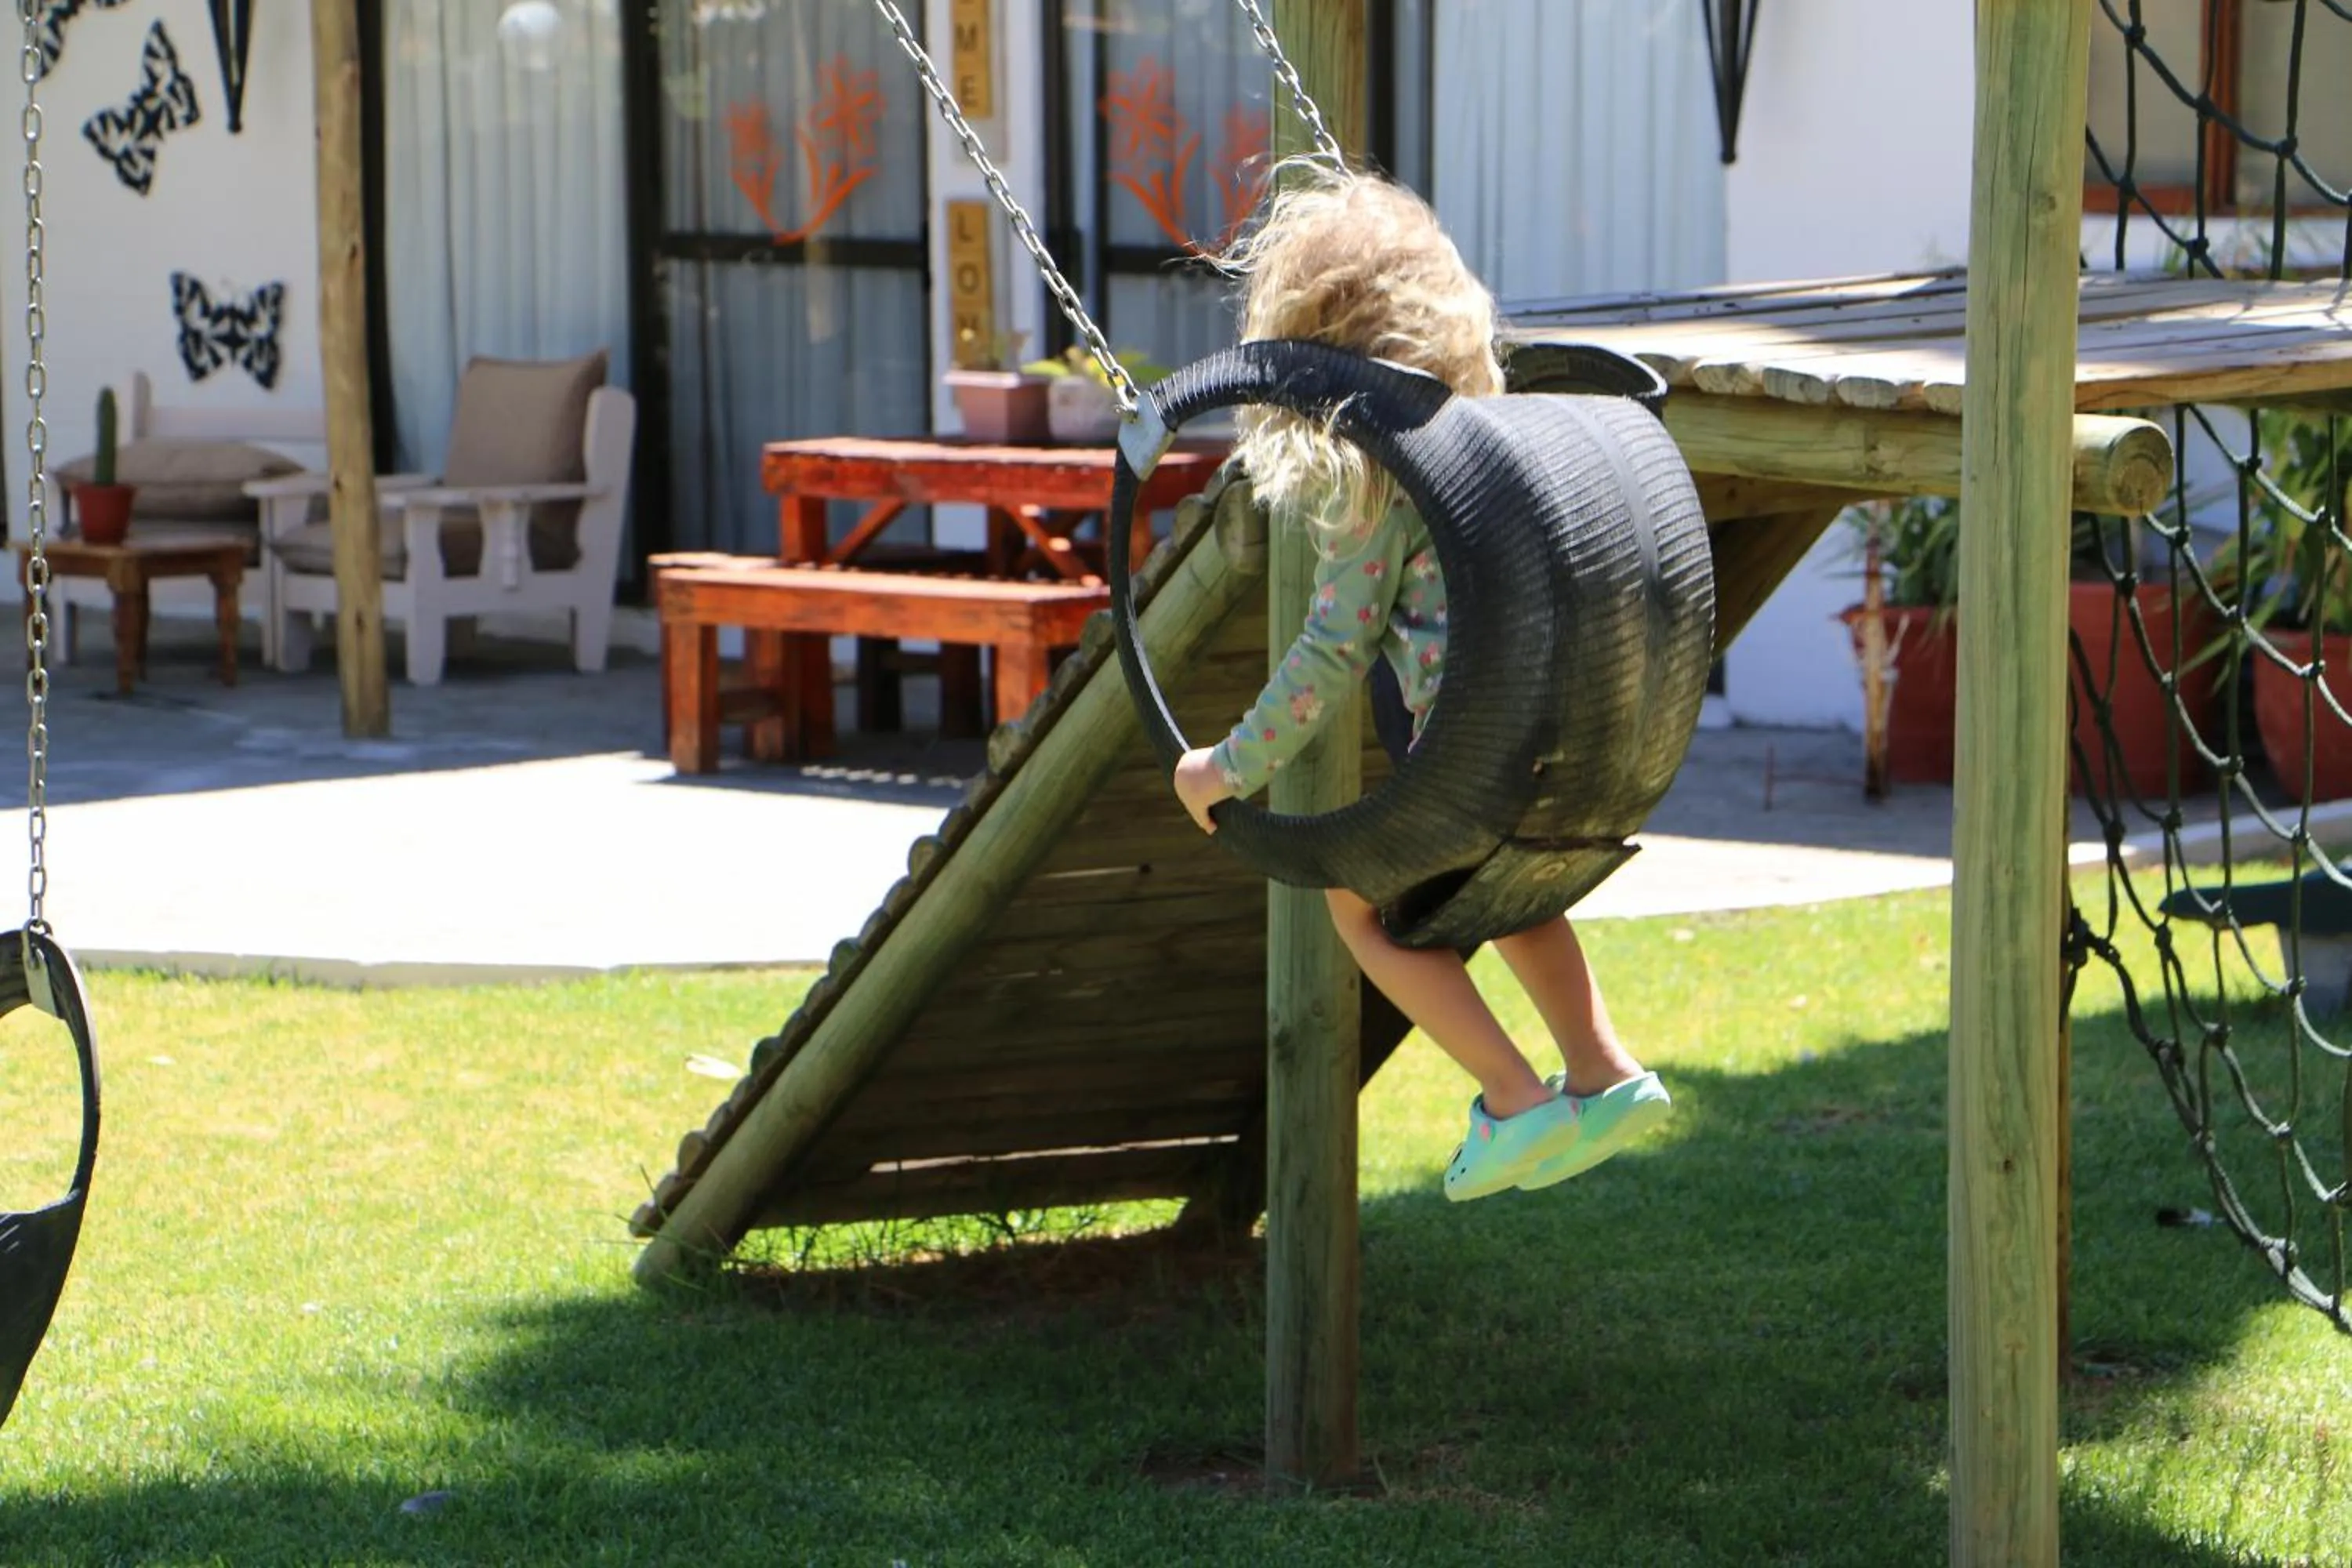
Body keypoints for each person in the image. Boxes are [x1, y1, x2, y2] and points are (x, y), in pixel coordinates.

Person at [1168, 160, 1672, 1201]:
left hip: (1472, 762)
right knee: (1515, 890)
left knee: (1355, 906)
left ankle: (1515, 1098)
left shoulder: (1379, 480)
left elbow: (1332, 652)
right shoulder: (1490, 435)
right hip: (1560, 746)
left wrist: (1227, 766)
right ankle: (1605, 1069)